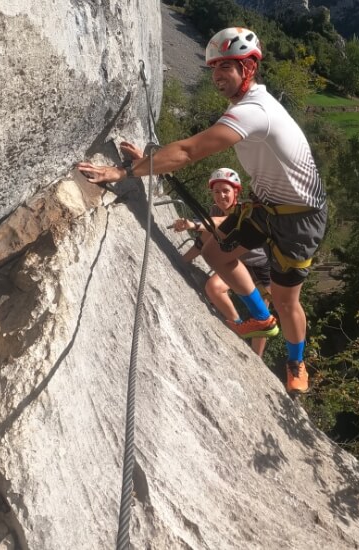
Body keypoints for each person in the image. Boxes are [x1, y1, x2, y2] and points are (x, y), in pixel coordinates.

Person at [77, 27, 327, 394]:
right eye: (214, 68)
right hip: (268, 205)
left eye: (227, 66)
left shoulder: (255, 111)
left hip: (301, 218)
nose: (217, 76)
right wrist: (151, 161)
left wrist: (124, 172)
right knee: (214, 252)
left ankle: (296, 361)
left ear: (249, 68)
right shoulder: (244, 107)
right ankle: (260, 318)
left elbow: (190, 151)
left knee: (287, 298)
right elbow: (186, 151)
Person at [172, 168, 275, 357]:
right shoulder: (214, 210)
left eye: (226, 191)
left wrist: (193, 224)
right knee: (214, 287)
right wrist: (179, 262)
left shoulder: (245, 210)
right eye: (217, 191)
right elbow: (204, 239)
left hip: (261, 270)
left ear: (237, 192)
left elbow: (219, 222)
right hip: (236, 265)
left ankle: (256, 359)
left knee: (262, 321)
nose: (221, 196)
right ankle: (237, 326)